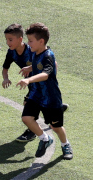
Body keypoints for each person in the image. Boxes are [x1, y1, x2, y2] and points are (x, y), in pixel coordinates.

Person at [16, 23, 72, 160]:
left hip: (51, 98)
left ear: (41, 41)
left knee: (56, 127)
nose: (28, 44)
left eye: (30, 41)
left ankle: (65, 145)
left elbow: (46, 74)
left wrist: (29, 80)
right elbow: (37, 67)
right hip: (36, 94)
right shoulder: (36, 52)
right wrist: (28, 69)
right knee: (26, 118)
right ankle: (45, 139)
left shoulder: (48, 56)